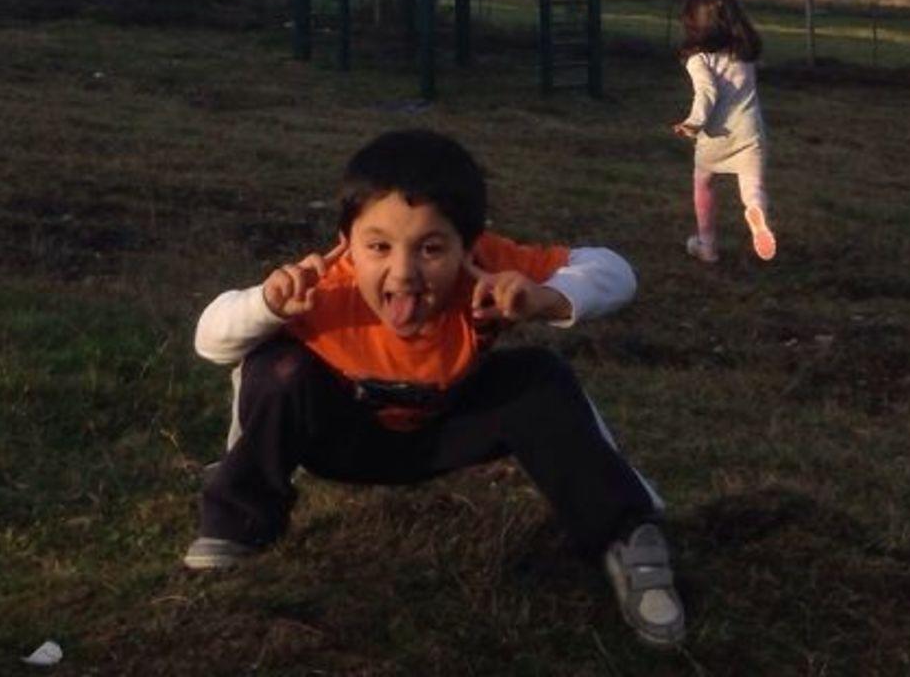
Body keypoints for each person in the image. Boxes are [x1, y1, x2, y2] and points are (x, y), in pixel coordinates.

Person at [182, 127, 685, 651]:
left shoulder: (488, 270)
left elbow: (616, 271)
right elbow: (210, 340)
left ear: (469, 247)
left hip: (441, 432)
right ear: (345, 244)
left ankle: (624, 531)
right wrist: (265, 305)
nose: (403, 273)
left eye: (431, 248)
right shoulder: (318, 288)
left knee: (539, 377)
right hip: (338, 440)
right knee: (276, 368)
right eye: (378, 246)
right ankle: (237, 520)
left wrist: (548, 298)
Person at [672, 0, 776, 264]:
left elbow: (707, 94)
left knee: (704, 183)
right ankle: (755, 212)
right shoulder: (743, 56)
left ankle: (707, 245)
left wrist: (693, 123)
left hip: (715, 137)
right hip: (750, 134)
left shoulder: (699, 60)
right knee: (752, 186)